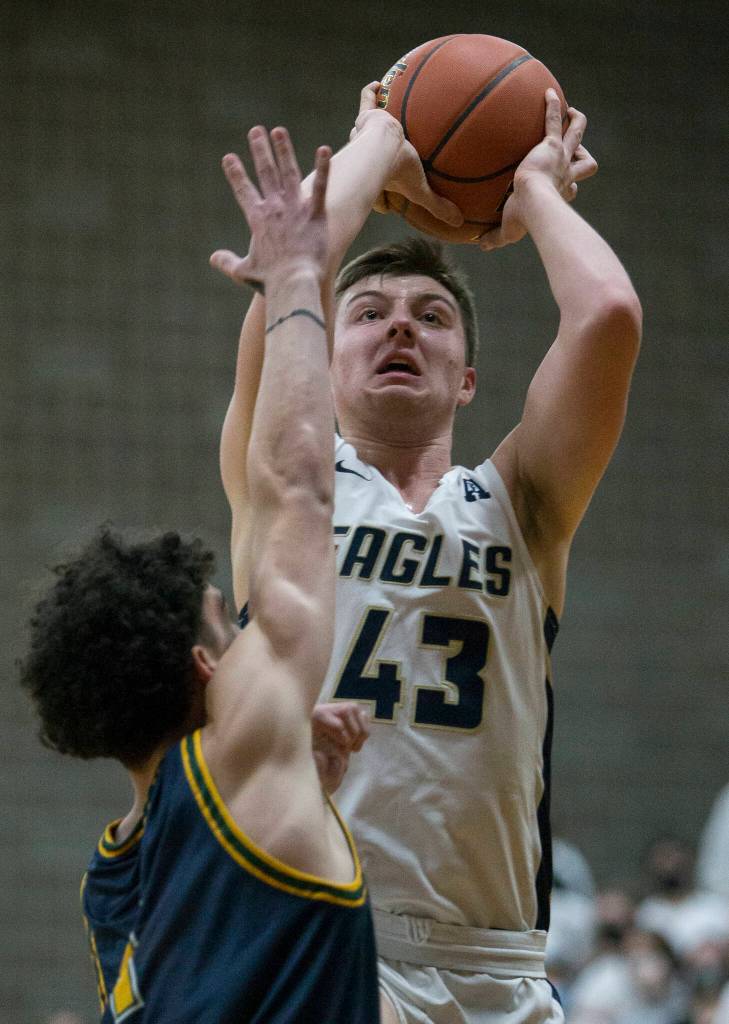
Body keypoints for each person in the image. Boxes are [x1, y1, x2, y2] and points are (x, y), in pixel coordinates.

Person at [217, 84, 642, 1023]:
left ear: (467, 381)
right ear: (319, 359)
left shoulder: (522, 502)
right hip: (314, 937)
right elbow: (290, 270)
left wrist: (533, 192)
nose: (400, 324)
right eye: (365, 312)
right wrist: (379, 141)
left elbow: (607, 314)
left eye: (430, 316)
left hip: (496, 965)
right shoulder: (288, 479)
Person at [21, 127, 383, 1023]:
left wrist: (301, 781)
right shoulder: (240, 753)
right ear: (207, 668)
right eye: (231, 623)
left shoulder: (109, 881)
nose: (251, 635)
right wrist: (299, 277)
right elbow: (297, 485)